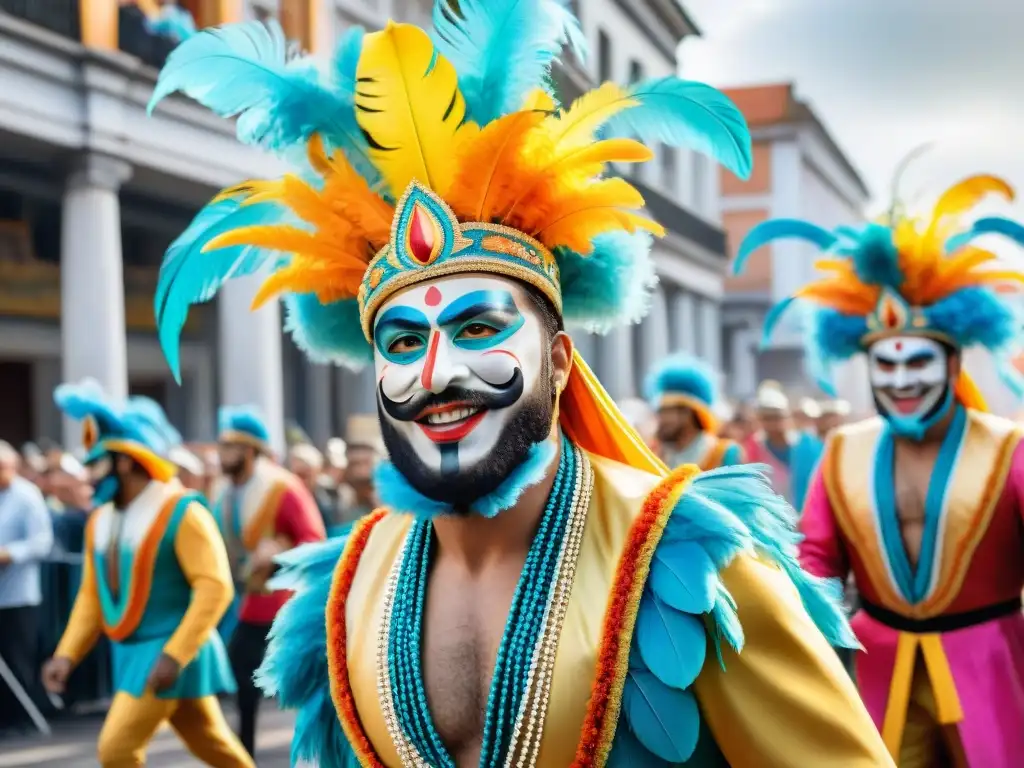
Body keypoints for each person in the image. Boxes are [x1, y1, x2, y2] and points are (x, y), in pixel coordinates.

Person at [150, 9, 892, 766]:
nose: (436, 374)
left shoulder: (689, 563)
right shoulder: (342, 594)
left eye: (477, 330)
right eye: (404, 342)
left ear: (562, 362)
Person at [735, 173, 1024, 766]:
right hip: (878, 673)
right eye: (884, 366)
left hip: (992, 665)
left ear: (952, 361)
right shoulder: (845, 451)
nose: (901, 381)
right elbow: (814, 560)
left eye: (918, 361)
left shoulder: (1009, 448)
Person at [41, 380, 251, 767]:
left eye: (97, 464)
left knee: (116, 749)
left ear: (124, 461)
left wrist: (175, 654)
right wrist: (66, 654)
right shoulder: (100, 521)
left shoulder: (183, 511)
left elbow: (215, 588)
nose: (88, 477)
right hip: (135, 653)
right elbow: (92, 596)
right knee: (213, 744)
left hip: (171, 651)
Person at [212, 406, 326, 758]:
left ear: (249, 451)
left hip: (285, 600)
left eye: (230, 448)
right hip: (248, 600)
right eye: (222, 446)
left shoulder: (281, 489)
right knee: (241, 675)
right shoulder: (226, 493)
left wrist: (278, 553)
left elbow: (313, 539)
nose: (222, 455)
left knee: (309, 682)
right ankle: (244, 753)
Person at [0, 440, 53, 732]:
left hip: (19, 594)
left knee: (17, 656)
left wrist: (10, 553)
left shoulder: (26, 496)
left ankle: (20, 719)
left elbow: (42, 542)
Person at [645, 352, 744, 469]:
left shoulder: (723, 453)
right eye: (660, 412)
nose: (661, 419)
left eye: (667, 412)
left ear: (687, 413)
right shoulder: (652, 453)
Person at [744, 380, 822, 510]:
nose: (773, 423)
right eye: (767, 418)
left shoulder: (808, 445)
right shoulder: (755, 447)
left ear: (788, 417)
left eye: (777, 417)